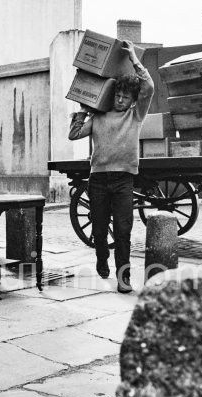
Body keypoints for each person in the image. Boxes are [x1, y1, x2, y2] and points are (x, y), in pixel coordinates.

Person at [68, 40, 154, 293]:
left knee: (123, 230)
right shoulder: (98, 116)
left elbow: (148, 86)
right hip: (98, 180)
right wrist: (83, 111)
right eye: (117, 94)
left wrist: (135, 60)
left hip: (124, 179)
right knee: (98, 227)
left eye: (125, 96)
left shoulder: (136, 115)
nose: (120, 99)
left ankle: (123, 277)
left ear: (132, 100)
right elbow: (73, 135)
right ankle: (101, 257)